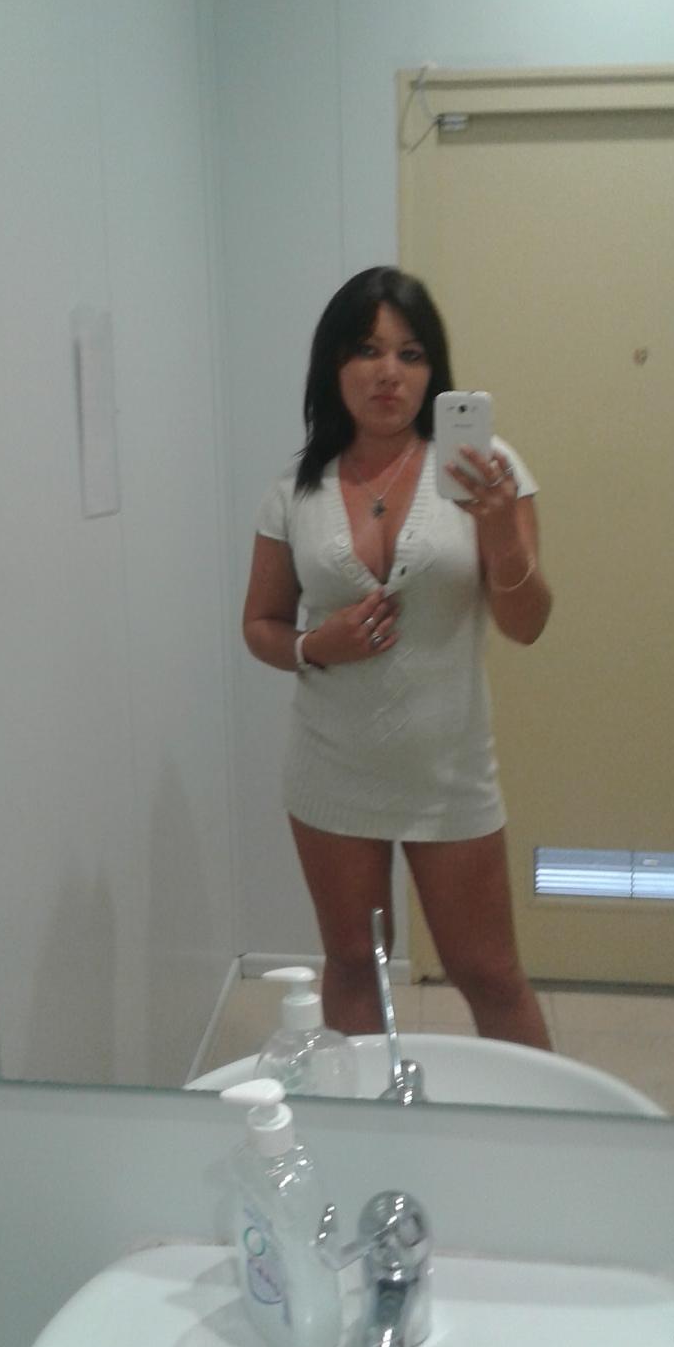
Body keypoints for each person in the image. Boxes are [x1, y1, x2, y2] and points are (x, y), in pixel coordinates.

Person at [242, 267, 552, 1048]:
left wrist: (499, 529)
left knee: (490, 974)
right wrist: (316, 645)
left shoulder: (488, 470)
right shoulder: (295, 490)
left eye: (410, 354)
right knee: (353, 963)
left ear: (432, 371)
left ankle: (539, 1123)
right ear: (333, 364)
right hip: (331, 767)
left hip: (449, 771)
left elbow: (527, 623)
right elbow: (260, 624)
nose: (389, 372)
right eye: (367, 350)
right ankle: (362, 1118)